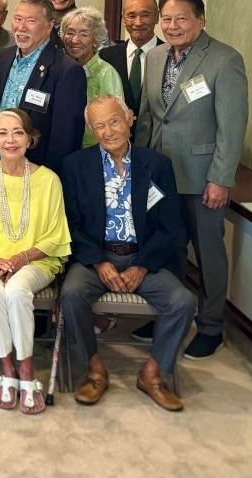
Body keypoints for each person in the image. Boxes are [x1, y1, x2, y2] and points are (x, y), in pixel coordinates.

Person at [135, 0, 249, 360]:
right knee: (166, 249)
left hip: (202, 178)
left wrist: (220, 179)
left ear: (200, 20)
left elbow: (232, 127)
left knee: (209, 254)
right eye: (166, 19)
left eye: (181, 18)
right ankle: (165, 315)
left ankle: (211, 327)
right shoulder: (155, 57)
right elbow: (149, 118)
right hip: (160, 175)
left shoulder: (224, 60)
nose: (172, 26)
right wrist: (138, 167)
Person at [60, 95, 193, 411]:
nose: (108, 132)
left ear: (130, 118)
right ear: (91, 130)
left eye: (114, 121)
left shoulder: (157, 165)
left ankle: (151, 373)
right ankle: (95, 369)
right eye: (99, 126)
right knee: (71, 294)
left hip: (144, 258)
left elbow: (170, 226)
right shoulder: (75, 165)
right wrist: (98, 262)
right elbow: (71, 224)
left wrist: (141, 267)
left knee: (183, 301)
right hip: (96, 259)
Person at [0, 109, 72, 415]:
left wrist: (20, 259)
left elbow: (55, 236)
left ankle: (26, 370)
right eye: (2, 133)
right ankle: (7, 369)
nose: (10, 139)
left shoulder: (49, 180)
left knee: (17, 291)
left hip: (34, 262)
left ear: (29, 139)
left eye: (18, 132)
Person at [0, 0, 86, 173]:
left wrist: (48, 176)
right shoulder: (4, 56)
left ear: (49, 26)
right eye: (18, 19)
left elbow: (66, 137)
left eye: (31, 21)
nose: (21, 27)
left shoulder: (67, 70)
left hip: (37, 169)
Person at [98, 0, 164, 134]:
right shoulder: (106, 57)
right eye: (131, 16)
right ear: (123, 19)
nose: (138, 22)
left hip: (156, 140)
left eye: (145, 15)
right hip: (117, 138)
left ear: (157, 17)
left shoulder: (170, 55)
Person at [60, 7, 124, 147]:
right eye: (70, 33)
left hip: (94, 148)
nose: (75, 40)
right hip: (63, 145)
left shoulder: (106, 72)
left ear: (95, 40)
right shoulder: (59, 69)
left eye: (84, 34)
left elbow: (115, 119)